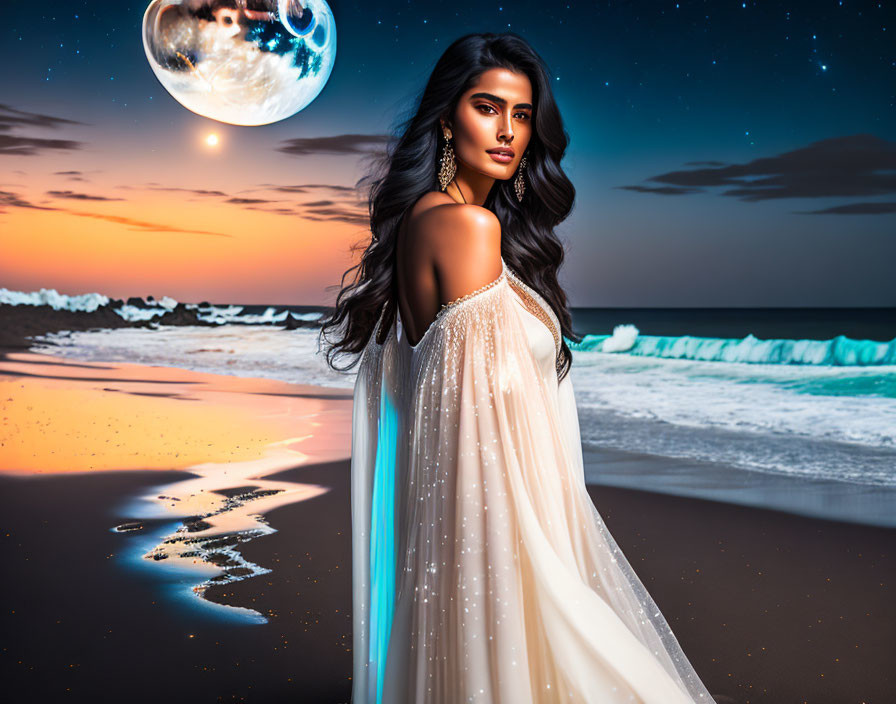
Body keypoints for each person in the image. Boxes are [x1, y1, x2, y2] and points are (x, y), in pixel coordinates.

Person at [319, 31, 717, 704]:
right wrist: (552, 564)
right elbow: (483, 422)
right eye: (486, 107)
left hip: (453, 517)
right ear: (447, 119)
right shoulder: (467, 231)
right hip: (490, 519)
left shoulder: (433, 221)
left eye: (522, 114)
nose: (507, 131)